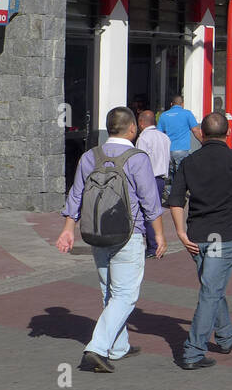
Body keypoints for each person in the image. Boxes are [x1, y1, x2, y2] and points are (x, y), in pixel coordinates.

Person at [56, 107, 165, 372]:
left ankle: (118, 347)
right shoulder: (137, 158)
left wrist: (68, 229)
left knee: (109, 291)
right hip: (129, 234)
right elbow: (151, 201)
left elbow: (76, 195)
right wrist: (160, 235)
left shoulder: (89, 156)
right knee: (125, 295)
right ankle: (97, 348)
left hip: (96, 234)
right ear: (132, 129)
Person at [168, 111, 232, 370]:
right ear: (227, 133)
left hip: (195, 238)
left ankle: (226, 336)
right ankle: (193, 352)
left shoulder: (189, 163)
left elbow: (176, 200)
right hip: (221, 239)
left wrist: (180, 233)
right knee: (210, 293)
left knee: (212, 288)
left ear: (201, 133)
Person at [136, 110, 171, 258]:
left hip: (149, 178)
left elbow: (139, 161)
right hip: (161, 178)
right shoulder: (164, 137)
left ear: (142, 123)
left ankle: (152, 247)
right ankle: (155, 244)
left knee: (148, 213)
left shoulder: (143, 138)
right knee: (155, 211)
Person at [157, 94, 203, 181]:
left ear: (171, 104)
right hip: (182, 150)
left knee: (169, 177)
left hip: (168, 151)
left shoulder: (163, 115)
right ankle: (180, 193)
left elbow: (159, 134)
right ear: (182, 104)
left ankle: (170, 193)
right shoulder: (187, 114)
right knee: (182, 175)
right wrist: (203, 141)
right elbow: (195, 130)